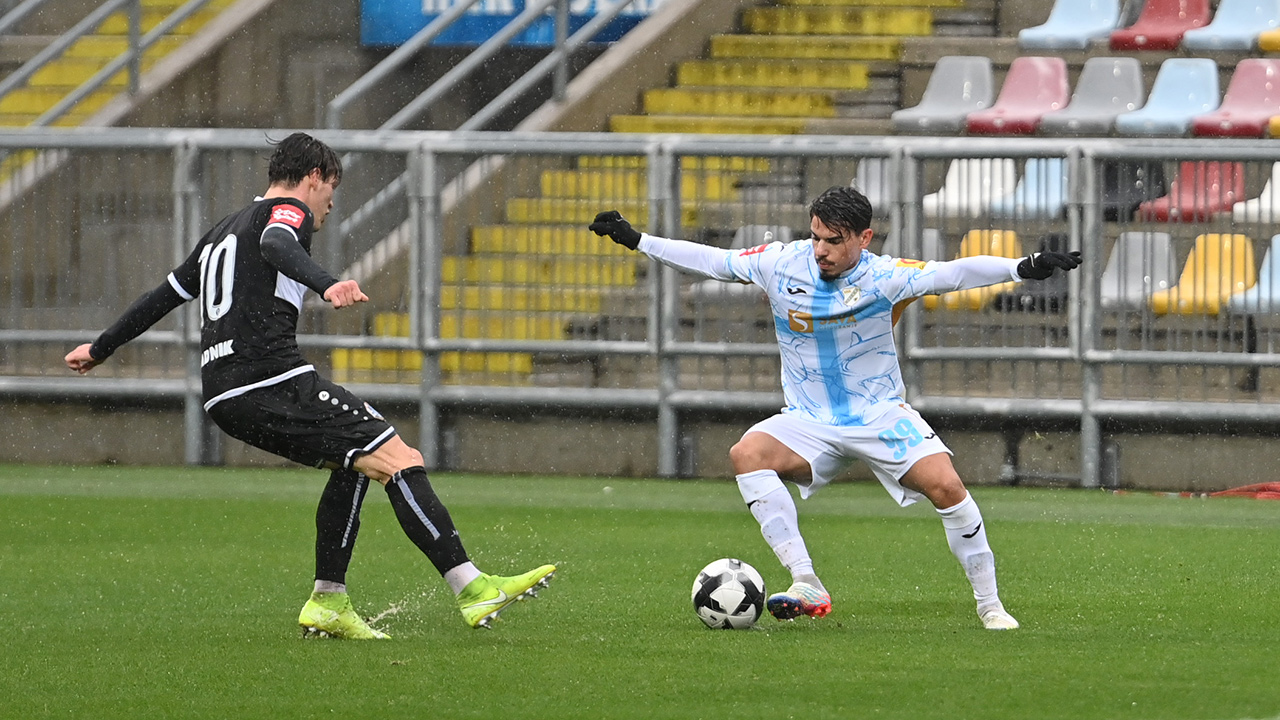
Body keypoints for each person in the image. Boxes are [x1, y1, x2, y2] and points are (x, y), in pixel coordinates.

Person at [65, 132, 554, 639]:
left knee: (357, 464)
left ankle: (328, 601)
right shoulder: (287, 213)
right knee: (399, 458)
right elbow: (276, 241)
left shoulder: (219, 233)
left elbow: (162, 295)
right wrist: (328, 283)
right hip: (270, 377)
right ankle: (473, 589)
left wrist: (101, 348)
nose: (331, 203)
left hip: (223, 392)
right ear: (313, 177)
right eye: (330, 189)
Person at [589, 186, 1080, 630]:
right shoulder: (780, 263)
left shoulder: (886, 277)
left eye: (834, 240)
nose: (820, 249)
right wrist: (639, 240)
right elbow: (713, 260)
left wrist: (1024, 265)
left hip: (879, 415)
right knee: (747, 454)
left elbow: (952, 274)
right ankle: (806, 581)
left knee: (948, 488)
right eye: (816, 236)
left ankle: (990, 605)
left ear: (864, 238)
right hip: (807, 420)